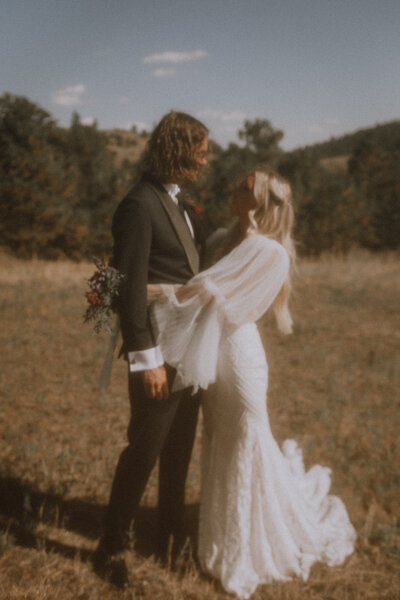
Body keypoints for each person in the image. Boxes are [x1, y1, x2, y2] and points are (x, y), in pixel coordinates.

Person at [148, 168, 356, 599]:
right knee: (221, 438)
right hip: (211, 357)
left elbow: (203, 292)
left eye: (243, 187)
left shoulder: (270, 251)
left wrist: (140, 292)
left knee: (246, 436)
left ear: (259, 201)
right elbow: (197, 286)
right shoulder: (224, 237)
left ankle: (247, 541)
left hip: (239, 358)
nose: (233, 189)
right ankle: (224, 530)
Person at [92, 111, 209, 588]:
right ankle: (110, 549)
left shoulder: (175, 201)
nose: (206, 158)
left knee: (179, 449)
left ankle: (167, 538)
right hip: (160, 350)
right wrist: (147, 358)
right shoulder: (140, 205)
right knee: (144, 448)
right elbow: (128, 288)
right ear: (179, 149)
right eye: (201, 149)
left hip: (191, 348)